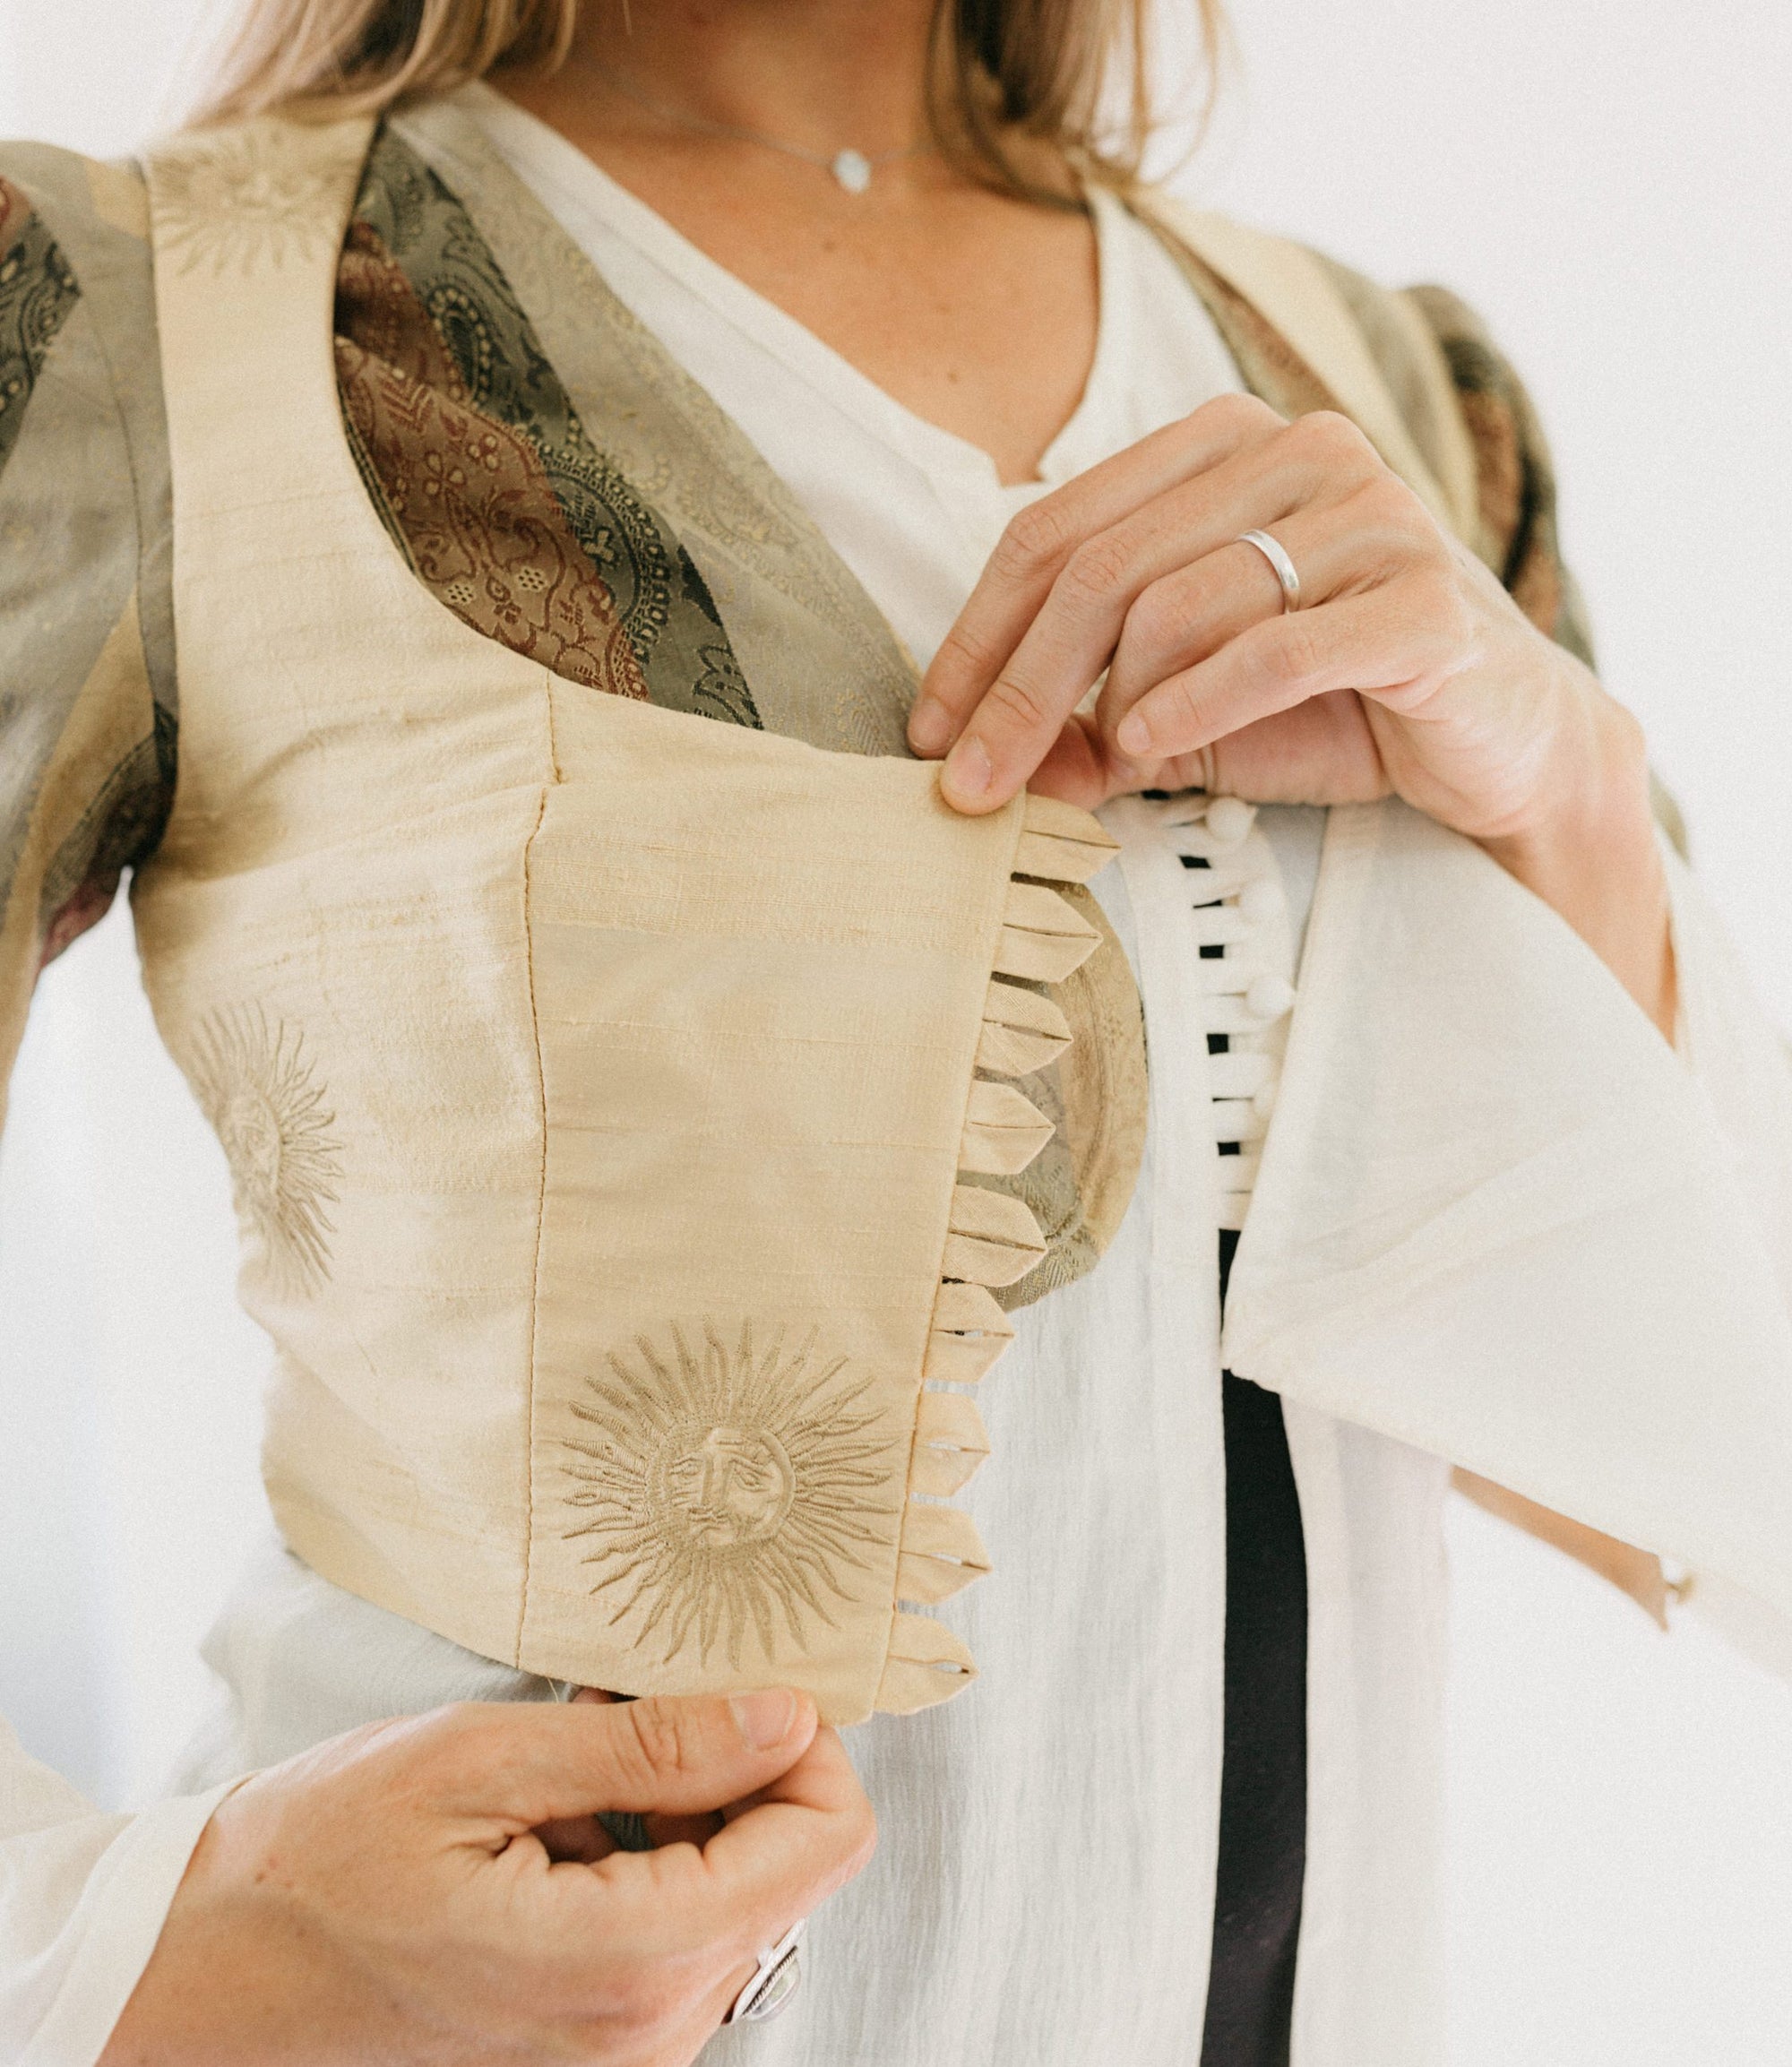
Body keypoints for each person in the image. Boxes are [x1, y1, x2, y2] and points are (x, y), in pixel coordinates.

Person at [3, 2, 1790, 2062]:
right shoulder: (146, 332)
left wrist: (1565, 787)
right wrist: (173, 1946)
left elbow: (1683, 1439)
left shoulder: (1384, 389)